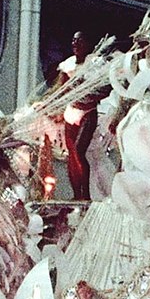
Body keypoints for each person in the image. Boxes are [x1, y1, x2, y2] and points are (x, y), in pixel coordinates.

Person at [57, 31, 103, 200]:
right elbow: (60, 90)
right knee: (71, 156)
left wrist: (87, 93)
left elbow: (104, 89)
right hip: (71, 111)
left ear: (88, 44)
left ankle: (86, 195)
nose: (75, 44)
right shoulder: (67, 65)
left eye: (80, 41)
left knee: (78, 151)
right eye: (74, 40)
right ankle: (76, 195)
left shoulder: (96, 63)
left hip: (87, 112)